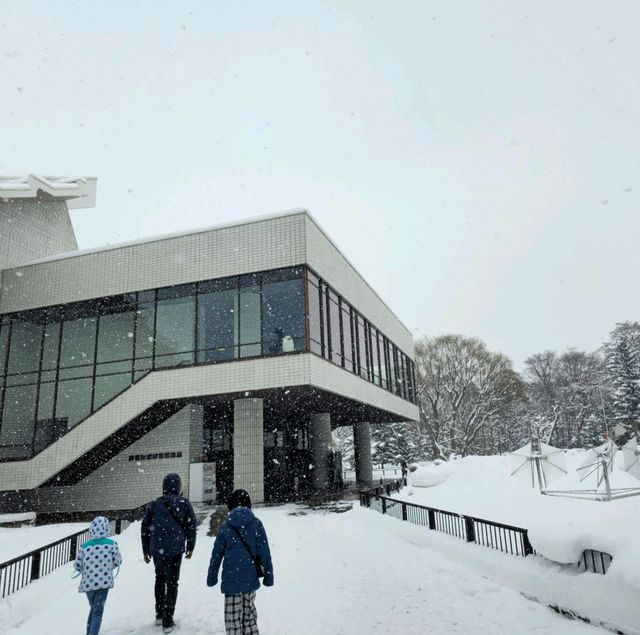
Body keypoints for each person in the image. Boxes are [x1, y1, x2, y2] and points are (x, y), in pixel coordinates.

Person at [207, 489, 274, 635]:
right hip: (250, 580)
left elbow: (216, 555)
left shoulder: (225, 526)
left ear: (230, 506)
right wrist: (269, 575)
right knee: (249, 617)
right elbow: (265, 552)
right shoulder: (256, 524)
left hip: (231, 581)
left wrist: (212, 576)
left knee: (233, 621)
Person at [141, 472, 197, 634]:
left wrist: (146, 549)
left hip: (157, 549)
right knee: (172, 582)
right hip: (175, 549)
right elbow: (191, 525)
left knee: (159, 578)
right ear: (178, 486)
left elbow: (145, 527)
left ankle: (159, 613)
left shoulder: (155, 504)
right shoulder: (184, 503)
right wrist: (190, 546)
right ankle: (168, 619)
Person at [74, 516, 122, 635]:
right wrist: (109, 566)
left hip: (88, 584)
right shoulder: (111, 544)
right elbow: (118, 561)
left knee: (94, 609)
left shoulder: (84, 547)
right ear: (106, 529)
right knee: (98, 611)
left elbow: (77, 565)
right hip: (104, 583)